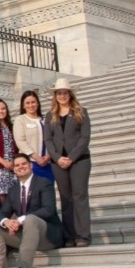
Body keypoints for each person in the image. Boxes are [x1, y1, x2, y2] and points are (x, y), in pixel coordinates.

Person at [0, 154, 64, 268]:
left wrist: (20, 219)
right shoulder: (13, 189)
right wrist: (7, 221)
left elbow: (49, 209)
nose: (20, 167)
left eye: (24, 163)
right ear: (14, 169)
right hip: (26, 235)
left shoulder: (44, 183)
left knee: (30, 219)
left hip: (47, 235)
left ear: (31, 166)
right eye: (17, 165)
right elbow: (2, 213)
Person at [44, 77, 92, 247]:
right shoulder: (51, 115)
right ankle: (69, 235)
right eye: (59, 93)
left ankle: (83, 235)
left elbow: (84, 137)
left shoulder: (81, 111)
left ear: (70, 94)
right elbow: (48, 140)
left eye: (65, 93)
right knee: (65, 198)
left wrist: (71, 157)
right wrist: (57, 157)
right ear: (55, 96)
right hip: (59, 162)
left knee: (79, 196)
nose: (62, 96)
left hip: (79, 160)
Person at [14, 89, 53, 181]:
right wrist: (37, 158)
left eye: (33, 102)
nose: (31, 105)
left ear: (38, 103)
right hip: (30, 163)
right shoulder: (20, 120)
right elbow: (21, 141)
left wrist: (49, 156)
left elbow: (53, 138)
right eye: (27, 103)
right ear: (23, 105)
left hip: (48, 163)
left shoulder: (45, 119)